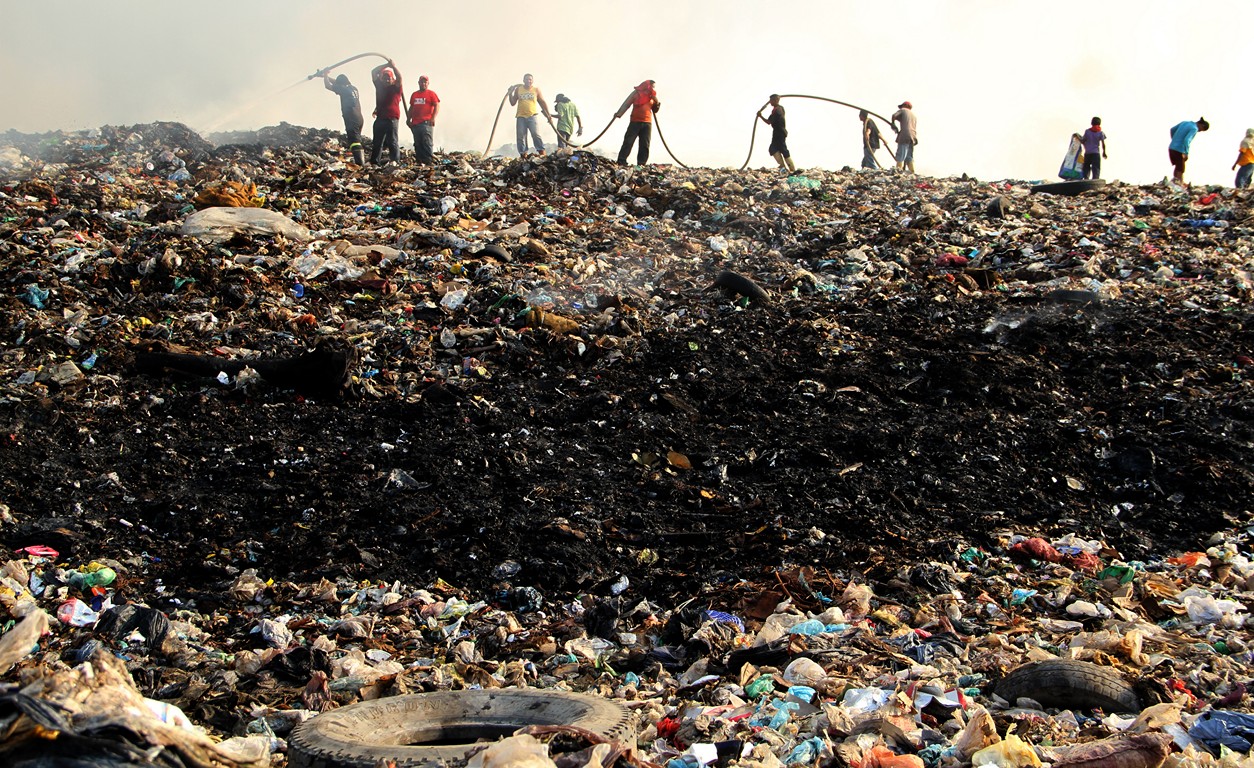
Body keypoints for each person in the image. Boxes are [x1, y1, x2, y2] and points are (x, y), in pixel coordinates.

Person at [615, 80, 660, 166]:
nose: (653, 88)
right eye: (652, 86)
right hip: (635, 122)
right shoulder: (636, 93)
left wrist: (657, 102)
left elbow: (655, 110)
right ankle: (621, 161)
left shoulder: (652, 96)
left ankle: (641, 164)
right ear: (647, 86)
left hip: (647, 123)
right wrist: (619, 113)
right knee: (628, 142)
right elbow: (626, 103)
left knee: (645, 144)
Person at [323, 73, 364, 165]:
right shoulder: (353, 88)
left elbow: (328, 86)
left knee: (355, 142)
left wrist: (326, 75)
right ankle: (359, 162)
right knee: (356, 139)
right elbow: (336, 83)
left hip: (351, 118)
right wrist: (326, 76)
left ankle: (361, 165)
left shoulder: (343, 89)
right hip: (359, 118)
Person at [370, 60, 405, 165]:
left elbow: (400, 78)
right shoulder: (379, 87)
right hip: (380, 118)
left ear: (392, 79)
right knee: (377, 142)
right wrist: (386, 65)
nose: (386, 80)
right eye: (384, 78)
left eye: (388, 78)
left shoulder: (396, 88)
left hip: (392, 119)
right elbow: (373, 72)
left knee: (392, 141)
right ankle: (375, 162)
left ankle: (395, 162)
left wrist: (393, 67)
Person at [509, 74, 551, 157]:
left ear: (532, 81)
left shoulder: (536, 90)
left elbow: (542, 102)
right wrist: (510, 93)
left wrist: (548, 115)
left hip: (532, 115)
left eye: (530, 79)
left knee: (535, 134)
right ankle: (523, 154)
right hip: (521, 116)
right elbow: (512, 103)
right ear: (523, 80)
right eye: (527, 79)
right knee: (521, 136)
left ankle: (541, 152)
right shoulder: (518, 89)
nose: (529, 81)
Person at [757, 94, 795, 174]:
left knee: (783, 149)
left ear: (775, 100)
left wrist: (760, 116)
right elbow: (769, 121)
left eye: (771, 100)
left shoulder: (778, 110)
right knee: (773, 149)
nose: (770, 102)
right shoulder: (776, 109)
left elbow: (769, 121)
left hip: (780, 132)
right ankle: (783, 166)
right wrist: (760, 116)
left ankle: (792, 168)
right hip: (777, 132)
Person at [407, 75, 440, 165]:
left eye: (425, 82)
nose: (423, 83)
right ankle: (420, 161)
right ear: (418, 83)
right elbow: (411, 107)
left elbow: (437, 105)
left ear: (428, 83)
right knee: (418, 143)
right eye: (421, 82)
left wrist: (433, 118)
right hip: (415, 123)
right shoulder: (414, 95)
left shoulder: (431, 94)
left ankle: (428, 162)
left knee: (427, 142)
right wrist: (408, 119)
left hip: (426, 122)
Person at [1168, 116, 1209, 186]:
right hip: (1179, 149)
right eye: (1202, 130)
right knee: (1181, 169)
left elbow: (1172, 129)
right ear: (1202, 125)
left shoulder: (1185, 122)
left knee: (1178, 166)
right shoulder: (1194, 128)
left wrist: (1174, 139)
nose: (1200, 131)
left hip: (1172, 147)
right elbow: (1187, 140)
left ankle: (1175, 182)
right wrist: (1186, 152)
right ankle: (1179, 184)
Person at [890, 100, 918, 173]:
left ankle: (898, 171)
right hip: (913, 136)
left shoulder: (903, 110)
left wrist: (893, 124)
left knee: (901, 154)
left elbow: (894, 116)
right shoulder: (914, 116)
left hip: (905, 135)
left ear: (904, 106)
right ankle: (912, 171)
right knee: (909, 156)